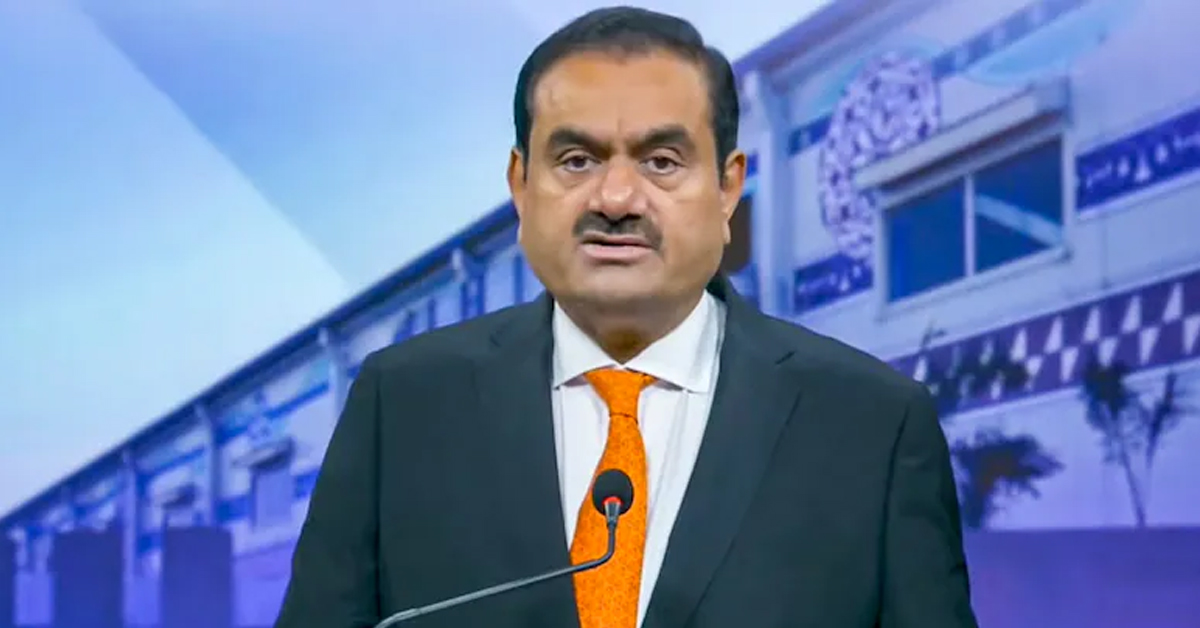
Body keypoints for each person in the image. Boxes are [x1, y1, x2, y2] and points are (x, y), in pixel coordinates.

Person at [273, 6, 979, 628]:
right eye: (576, 160)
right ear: (521, 185)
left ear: (728, 186)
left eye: (662, 161)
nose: (615, 198)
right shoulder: (405, 406)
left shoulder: (871, 426)